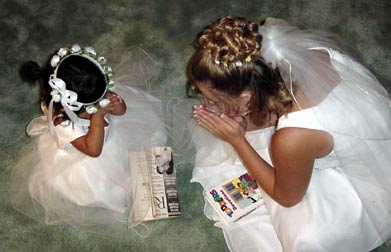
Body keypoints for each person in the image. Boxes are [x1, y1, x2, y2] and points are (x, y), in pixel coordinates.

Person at [187, 16, 391, 252]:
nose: (208, 103)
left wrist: (237, 140)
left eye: (214, 100)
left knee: (305, 238)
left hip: (374, 180)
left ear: (246, 96)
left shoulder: (291, 137)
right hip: (363, 131)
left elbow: (286, 197)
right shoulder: (300, 54)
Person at [10, 44, 168, 236]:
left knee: (139, 145)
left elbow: (121, 111)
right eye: (99, 99)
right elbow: (93, 150)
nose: (105, 97)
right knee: (114, 188)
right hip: (87, 158)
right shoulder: (62, 121)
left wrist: (116, 104)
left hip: (109, 138)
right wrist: (98, 117)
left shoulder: (95, 89)